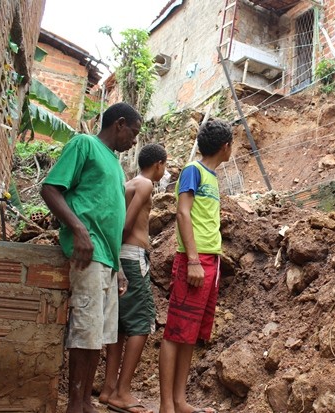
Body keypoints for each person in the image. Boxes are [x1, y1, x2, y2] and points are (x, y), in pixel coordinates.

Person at [41, 102, 141, 413]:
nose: (134, 141)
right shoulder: (85, 144)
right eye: (134, 133)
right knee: (85, 330)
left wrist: (119, 267)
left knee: (98, 335)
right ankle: (75, 404)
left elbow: (109, 217)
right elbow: (50, 189)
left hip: (108, 262)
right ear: (120, 124)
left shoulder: (115, 164)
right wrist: (78, 229)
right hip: (89, 254)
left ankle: (85, 404)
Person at [158, 119, 233, 413]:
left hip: (209, 261)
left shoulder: (212, 177)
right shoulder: (194, 171)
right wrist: (191, 260)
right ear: (226, 146)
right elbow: (183, 213)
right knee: (175, 332)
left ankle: (179, 401)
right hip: (195, 260)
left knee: (189, 334)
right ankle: (166, 405)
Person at [99, 143, 168, 413]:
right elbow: (126, 224)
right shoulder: (145, 185)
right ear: (158, 164)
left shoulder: (128, 182)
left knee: (120, 325)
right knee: (142, 323)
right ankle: (123, 391)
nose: (165, 170)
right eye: (166, 165)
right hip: (133, 256)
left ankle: (107, 389)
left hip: (120, 256)